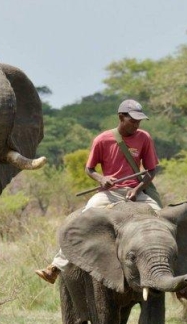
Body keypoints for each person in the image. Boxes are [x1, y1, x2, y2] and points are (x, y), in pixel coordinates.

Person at [35, 99, 162, 284]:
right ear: (121, 117)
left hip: (136, 191)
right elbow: (90, 169)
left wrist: (137, 189)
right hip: (109, 193)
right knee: (82, 221)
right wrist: (103, 179)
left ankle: (175, 274)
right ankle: (55, 267)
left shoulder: (144, 138)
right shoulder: (102, 139)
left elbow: (151, 171)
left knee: (162, 218)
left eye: (139, 121)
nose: (136, 125)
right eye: (133, 120)